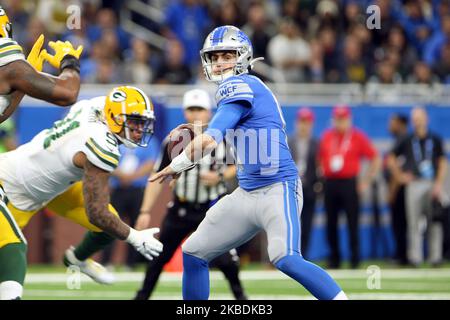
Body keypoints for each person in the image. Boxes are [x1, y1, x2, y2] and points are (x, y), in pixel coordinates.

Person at [151, 25, 347, 300]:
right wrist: (202, 128)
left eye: (226, 55)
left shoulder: (238, 85)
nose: (219, 63)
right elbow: (244, 125)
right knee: (194, 251)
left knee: (285, 258)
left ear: (243, 56)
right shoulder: (245, 89)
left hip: (278, 188)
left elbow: (210, 141)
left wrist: (176, 164)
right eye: (214, 57)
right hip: (246, 193)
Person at [0, 86, 164, 300]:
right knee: (13, 246)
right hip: (10, 185)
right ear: (114, 117)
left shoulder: (94, 106)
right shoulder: (100, 143)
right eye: (134, 122)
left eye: (142, 123)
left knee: (110, 225)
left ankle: (77, 259)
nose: (139, 130)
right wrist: (134, 237)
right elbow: (96, 212)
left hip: (54, 186)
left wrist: (70, 61)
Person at [0, 6, 83, 300]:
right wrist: (70, 62)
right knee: (10, 243)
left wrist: (21, 85)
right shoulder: (7, 61)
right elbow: (67, 94)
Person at [134, 88, 247, 300]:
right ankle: (142, 297)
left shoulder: (224, 140)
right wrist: (145, 210)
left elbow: (238, 166)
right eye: (191, 109)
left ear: (209, 112)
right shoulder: (174, 141)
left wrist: (220, 176)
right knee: (159, 256)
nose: (195, 114)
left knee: (227, 261)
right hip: (181, 208)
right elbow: (157, 176)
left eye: (200, 109)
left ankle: (241, 299)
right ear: (185, 113)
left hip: (213, 208)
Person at [318, 105, 381, 269]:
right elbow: (319, 157)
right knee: (331, 223)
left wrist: (365, 181)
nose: (340, 122)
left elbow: (375, 157)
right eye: (337, 119)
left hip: (349, 183)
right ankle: (334, 258)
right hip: (330, 183)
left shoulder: (357, 137)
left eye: (343, 119)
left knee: (352, 223)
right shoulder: (327, 136)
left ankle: (355, 258)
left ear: (349, 119)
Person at [387, 107, 448, 267]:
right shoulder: (406, 139)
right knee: (413, 222)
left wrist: (439, 184)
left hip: (431, 183)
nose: (418, 121)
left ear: (426, 119)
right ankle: (415, 257)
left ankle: (435, 257)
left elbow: (442, 162)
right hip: (414, 184)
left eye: (420, 117)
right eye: (415, 118)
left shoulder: (435, 139)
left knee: (435, 221)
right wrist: (400, 176)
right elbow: (390, 158)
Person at [101, 138, 160, 269]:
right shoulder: (115, 139)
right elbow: (107, 160)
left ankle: (131, 263)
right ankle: (106, 262)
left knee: (136, 225)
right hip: (118, 188)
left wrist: (132, 176)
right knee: (111, 225)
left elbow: (151, 163)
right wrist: (121, 175)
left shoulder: (149, 141)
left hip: (137, 189)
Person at [288, 107, 320, 258]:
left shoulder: (316, 143)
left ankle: (304, 256)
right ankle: (290, 255)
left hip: (309, 189)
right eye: (302, 122)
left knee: (307, 225)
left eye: (307, 122)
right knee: (290, 224)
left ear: (311, 124)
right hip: (292, 188)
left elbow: (319, 167)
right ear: (297, 123)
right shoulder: (289, 141)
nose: (304, 125)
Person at [384, 113, 409, 265]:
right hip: (398, 189)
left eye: (392, 122)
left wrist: (392, 190)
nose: (390, 125)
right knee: (399, 224)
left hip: (400, 191)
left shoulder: (403, 141)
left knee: (400, 223)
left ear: (400, 124)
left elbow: (398, 168)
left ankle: (402, 255)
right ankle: (400, 253)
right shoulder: (400, 141)